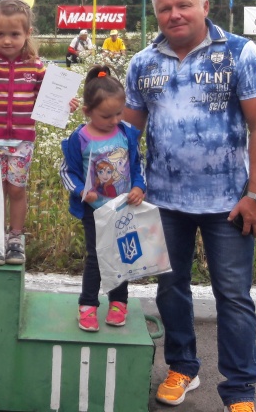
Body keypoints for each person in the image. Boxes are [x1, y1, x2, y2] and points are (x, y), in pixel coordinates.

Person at [124, 0, 256, 412]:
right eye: (165, 8)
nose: (174, 14)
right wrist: (93, 121)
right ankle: (183, 368)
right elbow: (128, 134)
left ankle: (240, 391)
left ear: (205, 7)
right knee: (171, 290)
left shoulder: (240, 53)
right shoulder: (143, 63)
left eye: (183, 5)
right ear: (156, 14)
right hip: (162, 202)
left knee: (234, 296)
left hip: (229, 204)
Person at [59, 66, 146, 332]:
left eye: (119, 113)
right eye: (106, 116)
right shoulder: (80, 138)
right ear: (87, 111)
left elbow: (138, 164)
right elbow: (67, 172)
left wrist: (139, 187)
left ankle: (119, 303)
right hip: (95, 211)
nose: (114, 120)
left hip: (124, 209)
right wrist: (82, 192)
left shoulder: (126, 133)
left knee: (122, 255)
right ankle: (88, 305)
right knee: (95, 258)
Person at [0, 0, 46, 266]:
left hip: (22, 142)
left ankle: (15, 239)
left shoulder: (36, 67)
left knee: (16, 190)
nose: (7, 40)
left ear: (27, 33)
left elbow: (46, 100)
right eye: (0, 33)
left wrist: (64, 104)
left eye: (14, 34)